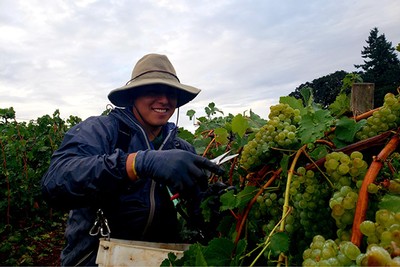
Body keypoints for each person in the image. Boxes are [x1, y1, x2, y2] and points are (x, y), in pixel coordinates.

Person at [41, 53, 223, 266]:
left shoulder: (182, 149)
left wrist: (207, 202)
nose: (164, 100)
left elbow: (194, 217)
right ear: (133, 96)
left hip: (158, 260)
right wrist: (135, 163)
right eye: (153, 90)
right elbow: (54, 183)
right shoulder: (101, 131)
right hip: (95, 259)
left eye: (171, 92)